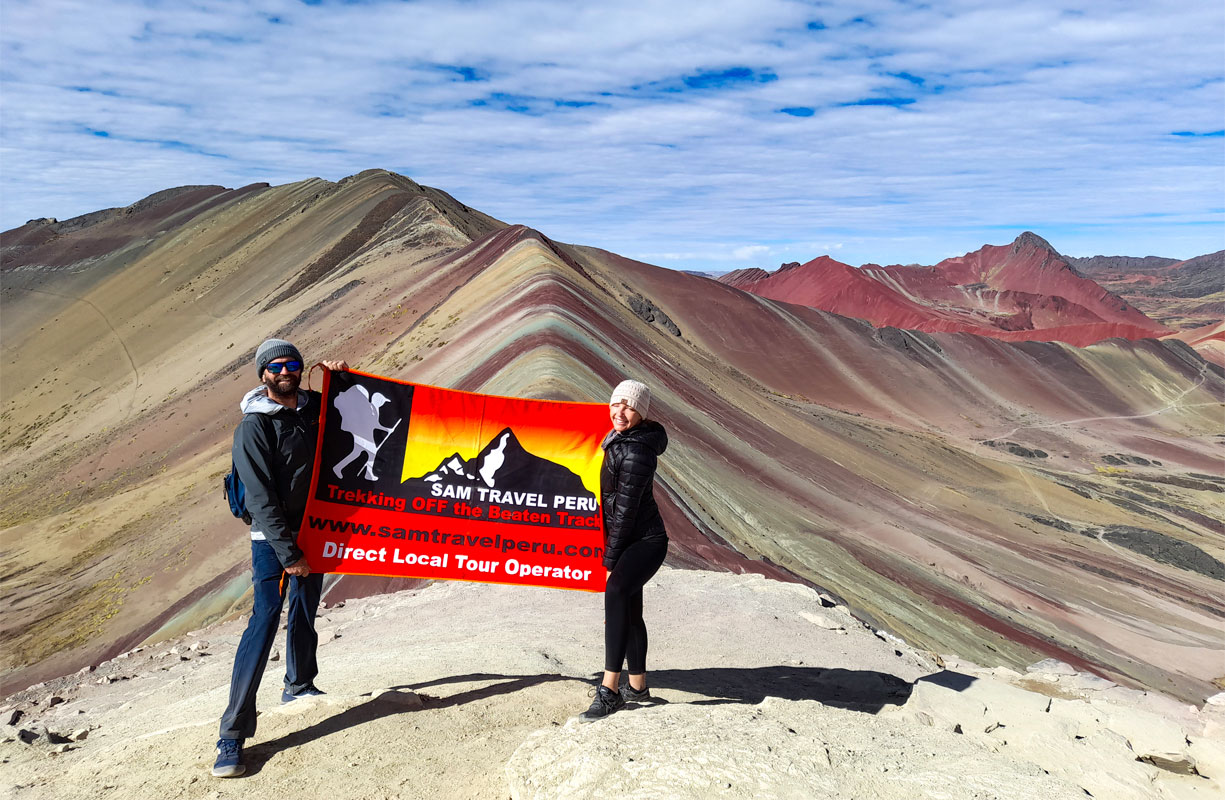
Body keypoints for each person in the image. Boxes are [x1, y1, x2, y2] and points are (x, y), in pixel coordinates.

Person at [212, 339, 348, 778]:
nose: (285, 371)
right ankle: (231, 735)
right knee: (266, 617)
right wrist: (288, 554)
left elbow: (354, 418)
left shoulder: (312, 409)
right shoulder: (253, 427)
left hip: (316, 529)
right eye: (275, 366)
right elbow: (260, 496)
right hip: (272, 540)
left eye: (292, 364)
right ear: (263, 374)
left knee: (307, 607)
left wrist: (341, 378)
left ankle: (299, 685)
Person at [578, 379, 669, 722]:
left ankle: (610, 690)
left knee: (615, 591)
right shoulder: (621, 439)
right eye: (616, 404)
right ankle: (639, 688)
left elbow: (626, 512)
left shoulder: (634, 451)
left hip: (645, 540)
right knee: (630, 609)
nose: (620, 412)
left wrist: (611, 560)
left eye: (629, 407)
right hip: (635, 537)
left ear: (641, 414)